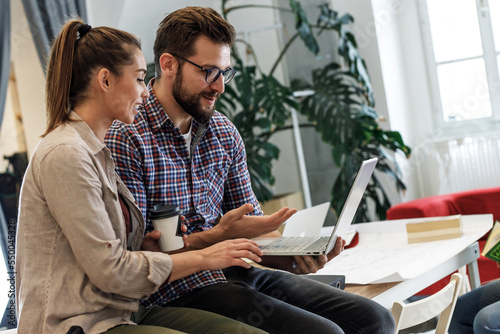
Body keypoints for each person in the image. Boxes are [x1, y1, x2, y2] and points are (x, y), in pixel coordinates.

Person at [105, 6, 395, 334]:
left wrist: (295, 257)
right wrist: (218, 237)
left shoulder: (223, 133)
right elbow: (142, 254)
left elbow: (254, 232)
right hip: (180, 290)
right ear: (169, 64)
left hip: (242, 273)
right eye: (208, 72)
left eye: (224, 73)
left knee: (375, 319)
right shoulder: (128, 137)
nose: (220, 87)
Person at [15, 18, 275, 334]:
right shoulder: (66, 154)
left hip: (121, 314)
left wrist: (147, 248)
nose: (145, 91)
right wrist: (205, 257)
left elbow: (110, 254)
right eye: (139, 79)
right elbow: (111, 270)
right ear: (106, 81)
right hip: (78, 325)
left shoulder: (95, 150)